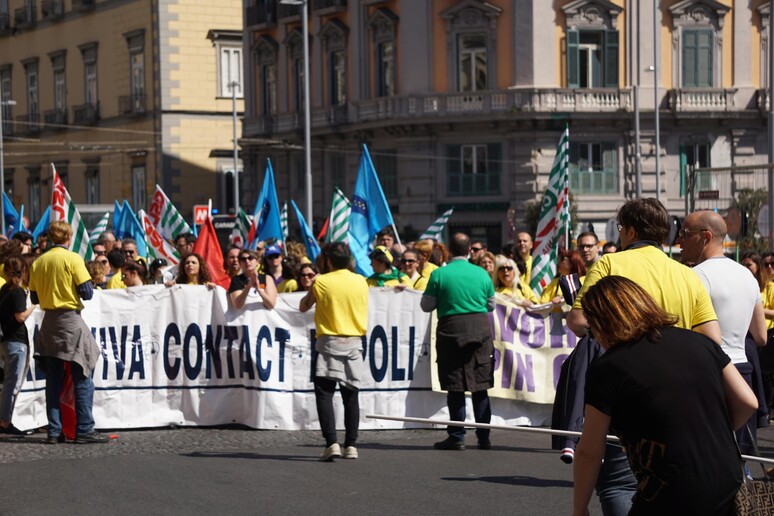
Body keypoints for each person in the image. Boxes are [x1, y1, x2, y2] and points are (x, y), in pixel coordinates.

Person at [566, 198, 720, 515]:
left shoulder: (610, 265)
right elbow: (712, 339)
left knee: (618, 484)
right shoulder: (687, 275)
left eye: (621, 228)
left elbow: (579, 319)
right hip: (682, 394)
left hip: (626, 387)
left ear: (631, 230)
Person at [572, 276, 757, 516]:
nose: (594, 336)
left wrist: (579, 508)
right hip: (727, 478)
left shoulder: (608, 367)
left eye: (591, 328)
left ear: (603, 322)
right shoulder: (700, 341)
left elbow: (590, 450)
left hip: (669, 488)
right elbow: (748, 401)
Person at [678, 211, 767, 456]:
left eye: (685, 233)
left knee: (706, 455)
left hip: (707, 374)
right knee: (739, 456)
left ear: (706, 236)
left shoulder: (695, 276)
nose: (679, 240)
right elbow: (761, 336)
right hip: (743, 371)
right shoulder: (746, 275)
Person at [27, 221, 108, 444]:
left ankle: (54, 431)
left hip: (48, 323)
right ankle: (84, 429)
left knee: (53, 380)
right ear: (68, 237)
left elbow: (34, 298)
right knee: (82, 374)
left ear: (52, 237)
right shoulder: (73, 258)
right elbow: (87, 292)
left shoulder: (39, 261)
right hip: (70, 320)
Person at [421, 233, 496, 451]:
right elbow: (490, 305)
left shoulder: (439, 274)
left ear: (450, 251)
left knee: (456, 386)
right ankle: (484, 437)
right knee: (480, 386)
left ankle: (456, 435)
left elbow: (426, 305)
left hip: (451, 331)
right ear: (469, 251)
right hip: (480, 331)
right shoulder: (482, 274)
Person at [299, 242, 368, 461]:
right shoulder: (361, 280)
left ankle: (331, 443)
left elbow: (304, 306)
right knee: (351, 394)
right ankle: (351, 445)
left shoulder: (322, 282)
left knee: (325, 394)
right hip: (354, 342)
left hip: (329, 342)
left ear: (328, 260)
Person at [0, 255, 36, 436]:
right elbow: (20, 316)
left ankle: (5, 419)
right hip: (17, 342)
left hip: (6, 341)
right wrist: (33, 306)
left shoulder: (5, 289)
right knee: (12, 384)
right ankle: (6, 421)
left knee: (8, 383)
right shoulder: (18, 292)